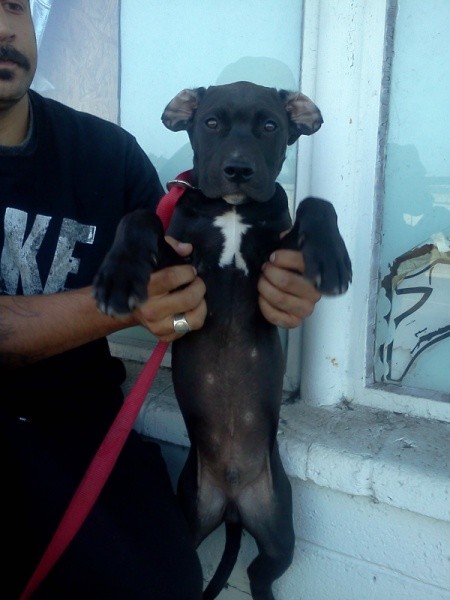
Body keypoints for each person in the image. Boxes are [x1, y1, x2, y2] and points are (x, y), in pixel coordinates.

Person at [0, 2, 321, 599]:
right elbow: (133, 307)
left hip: (83, 423)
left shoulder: (108, 154)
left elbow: (174, 301)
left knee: (163, 581)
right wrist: (117, 309)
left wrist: (276, 295)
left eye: (15, 3)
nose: (3, 26)